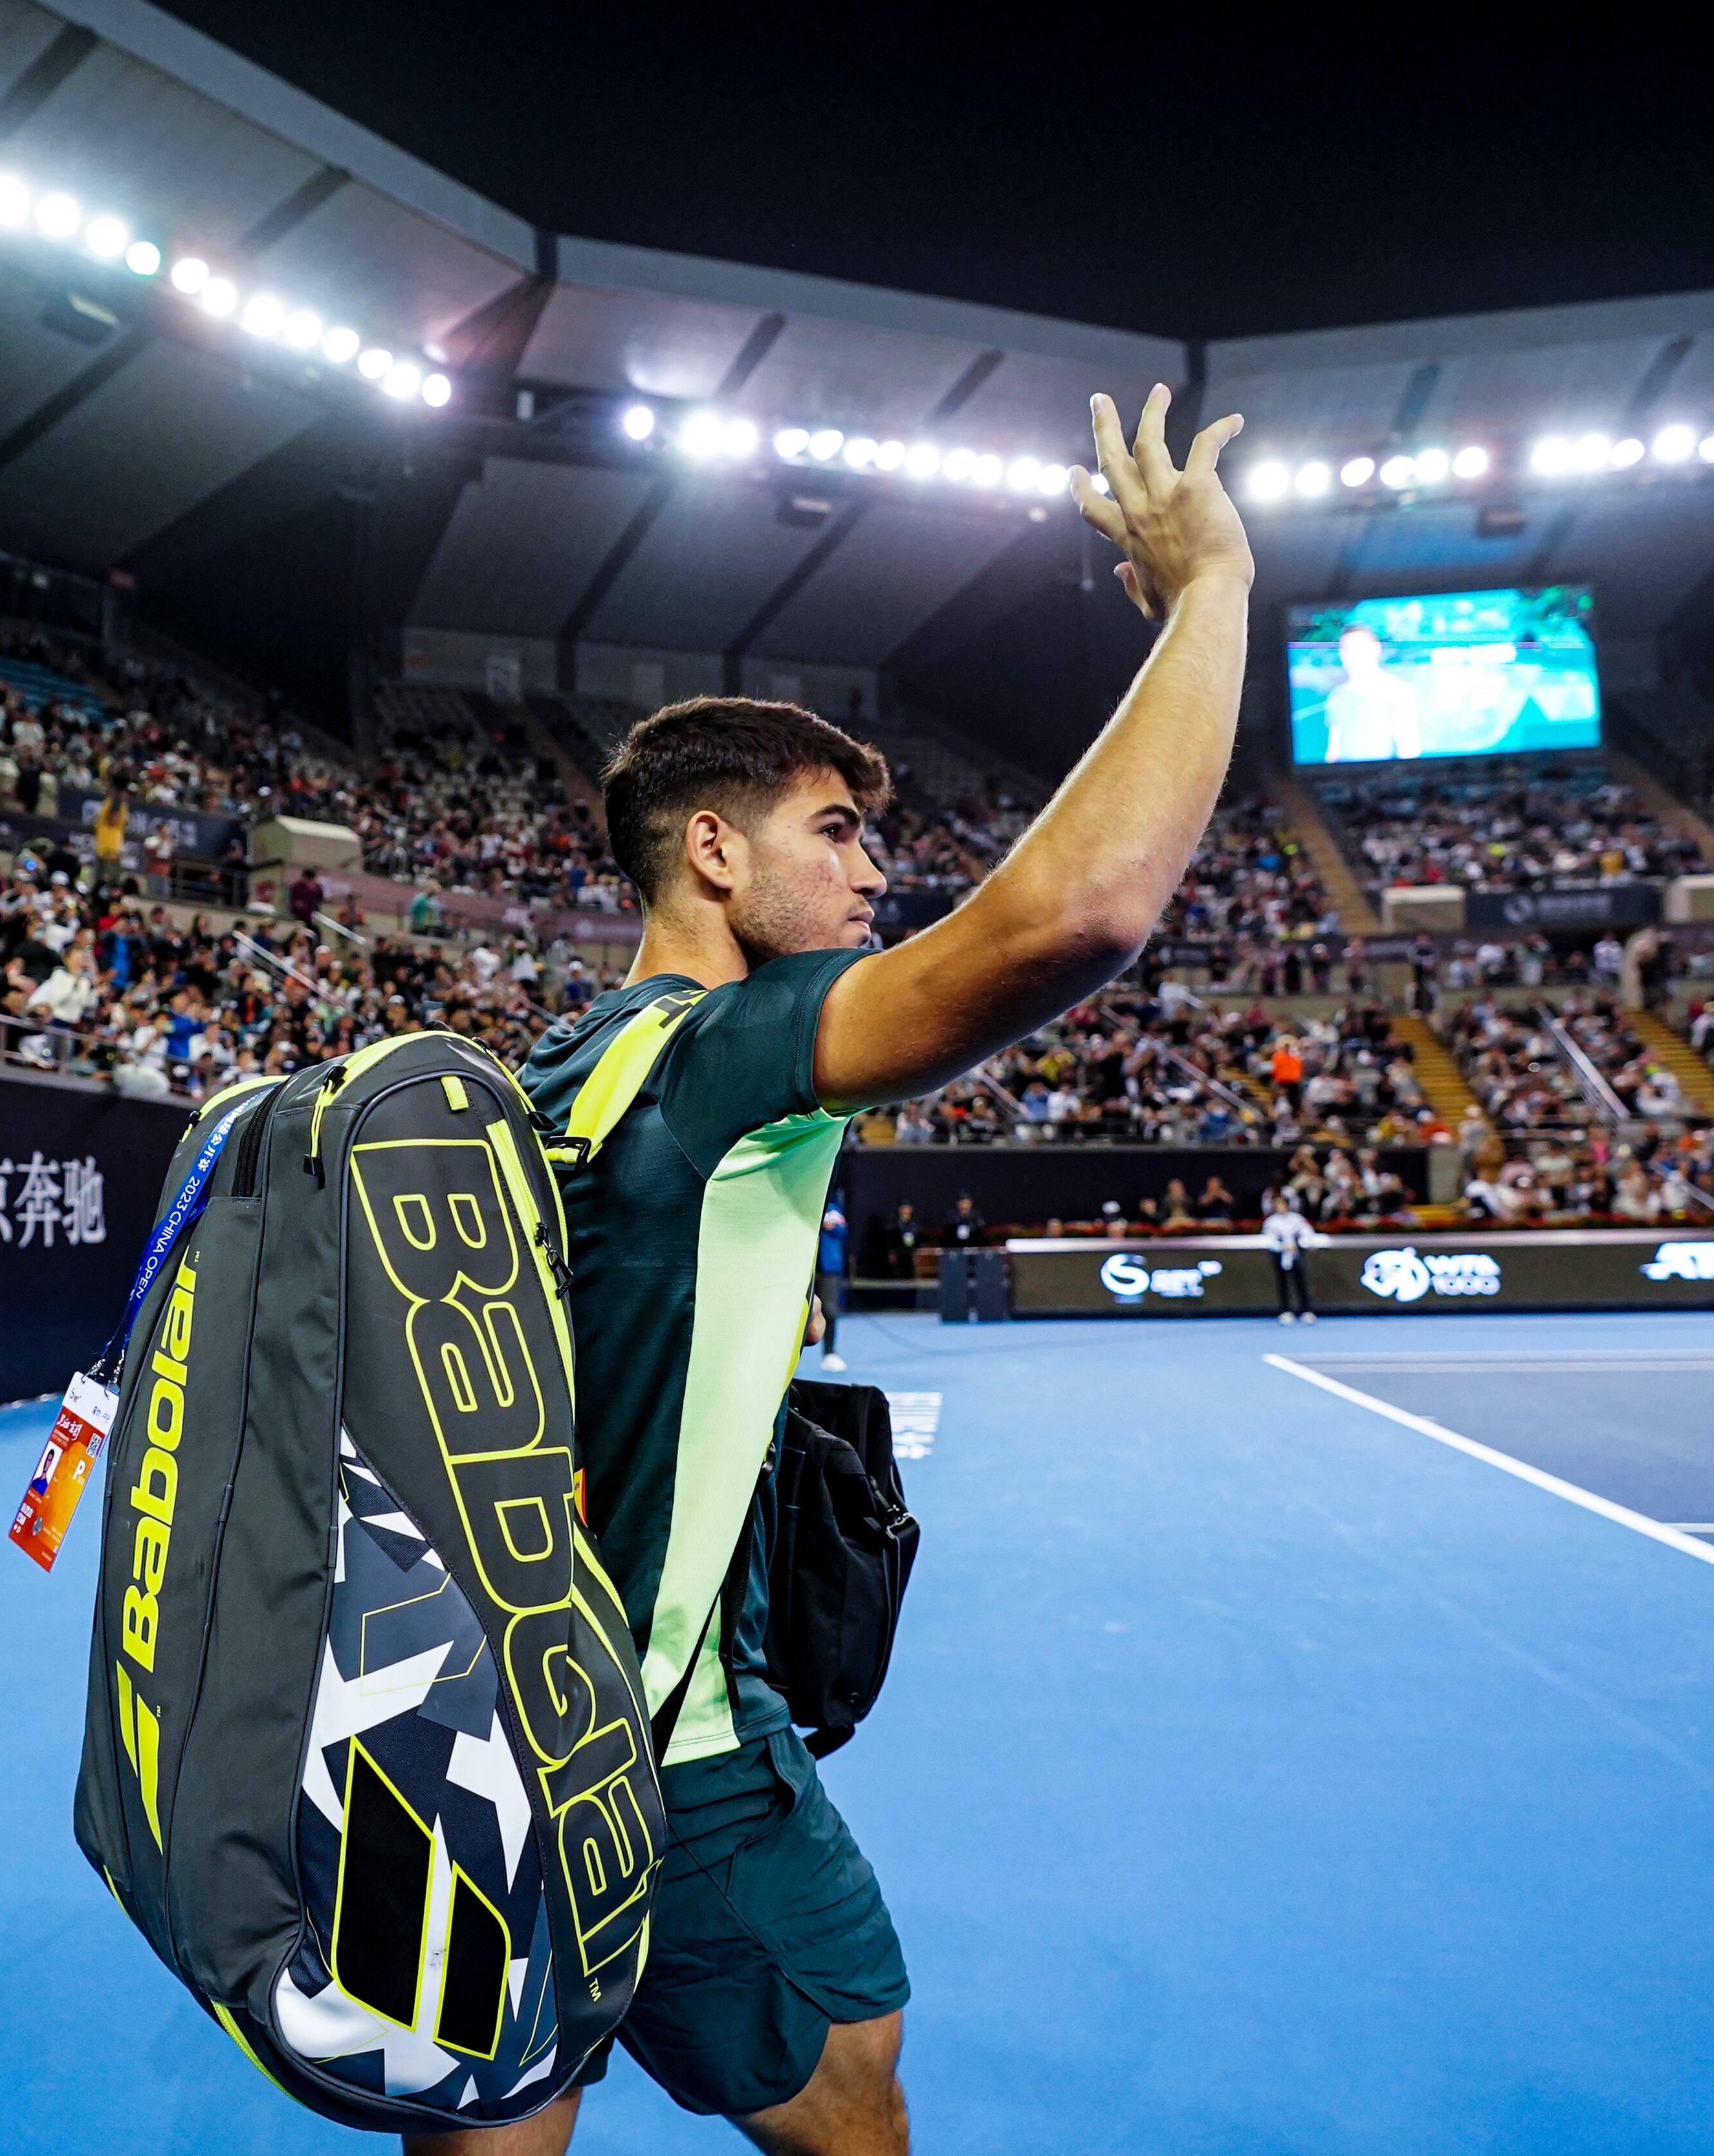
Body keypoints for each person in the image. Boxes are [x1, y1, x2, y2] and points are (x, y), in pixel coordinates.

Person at [486, 384, 1248, 2156]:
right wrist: (1213, 589)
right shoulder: (726, 1054)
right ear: (713, 849)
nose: (879, 872)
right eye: (839, 831)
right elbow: (1079, 915)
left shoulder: (556, 1058)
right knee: (857, 2081)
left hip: (493, 1710)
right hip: (660, 1746)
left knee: (512, 2095)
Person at [1262, 1192, 1317, 1322]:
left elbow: (1308, 1233)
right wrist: (1282, 1247)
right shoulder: (1271, 1222)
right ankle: (1285, 1311)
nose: (1280, 1207)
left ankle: (1306, 1311)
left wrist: (1299, 1244)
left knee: (1301, 1282)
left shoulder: (1297, 1219)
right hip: (1279, 1255)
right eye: (1277, 1205)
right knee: (1283, 1282)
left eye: (1282, 1204)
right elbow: (1269, 1239)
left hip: (1297, 1254)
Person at [813, 1192, 850, 1371]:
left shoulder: (834, 1208)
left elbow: (842, 1230)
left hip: (829, 1269)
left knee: (829, 1309)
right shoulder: (805, 1204)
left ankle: (829, 1353)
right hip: (805, 1268)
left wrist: (827, 1225)